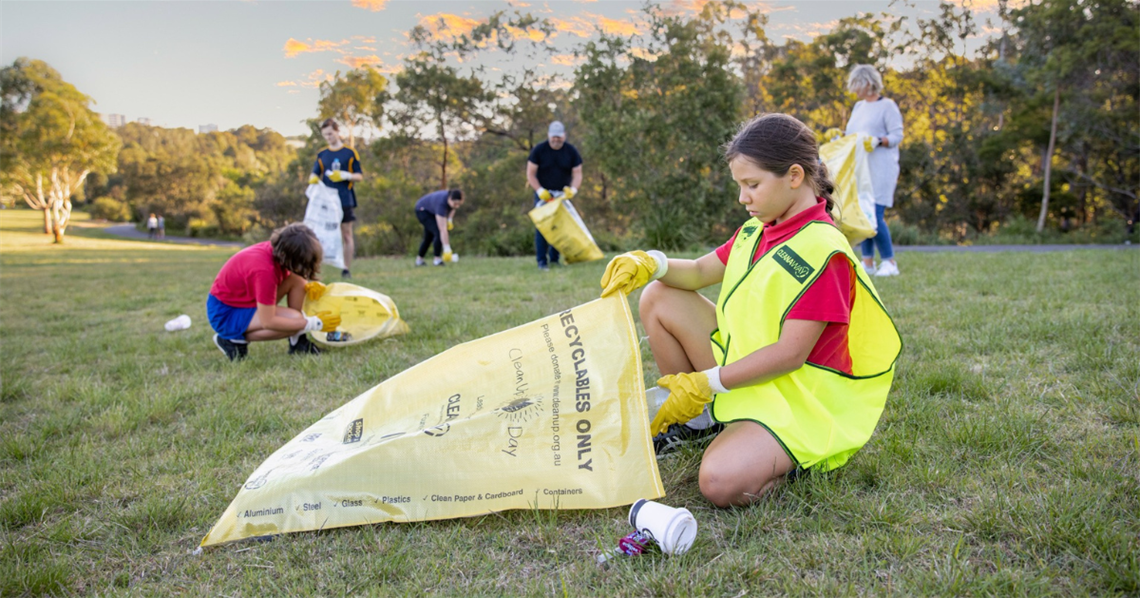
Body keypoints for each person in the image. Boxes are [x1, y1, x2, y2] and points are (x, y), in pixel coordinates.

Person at [599, 114, 901, 507]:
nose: (743, 197)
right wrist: (651, 263)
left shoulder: (824, 251)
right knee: (659, 295)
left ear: (794, 176)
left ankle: (788, 459)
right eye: (740, 185)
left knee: (719, 483)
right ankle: (699, 421)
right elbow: (699, 271)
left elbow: (790, 355)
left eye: (752, 185)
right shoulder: (755, 232)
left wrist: (705, 382)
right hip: (745, 371)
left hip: (795, 400)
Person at [207, 222, 341, 361]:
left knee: (298, 280)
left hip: (244, 302)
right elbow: (268, 322)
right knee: (295, 320)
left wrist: (309, 285)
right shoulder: (265, 271)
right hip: (226, 313)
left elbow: (294, 276)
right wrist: (312, 323)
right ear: (290, 257)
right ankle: (230, 340)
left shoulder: (279, 249)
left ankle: (298, 343)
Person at [844, 64, 904, 277]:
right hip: (861, 171)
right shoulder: (859, 107)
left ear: (868, 83)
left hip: (881, 169)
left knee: (875, 216)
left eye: (857, 85)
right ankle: (868, 263)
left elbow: (897, 135)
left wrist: (878, 141)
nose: (854, 90)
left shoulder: (887, 106)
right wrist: (839, 137)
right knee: (863, 215)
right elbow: (852, 135)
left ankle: (890, 262)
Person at [308, 118, 363, 279]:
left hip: (345, 198)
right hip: (326, 201)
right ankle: (316, 267)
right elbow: (314, 172)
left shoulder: (349, 153)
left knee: (346, 234)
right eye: (325, 135)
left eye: (330, 134)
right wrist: (313, 179)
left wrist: (346, 175)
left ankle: (346, 268)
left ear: (338, 132)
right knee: (320, 235)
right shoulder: (322, 154)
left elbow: (359, 176)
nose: (328, 137)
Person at [526, 120, 583, 271]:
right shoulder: (539, 150)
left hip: (561, 195)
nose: (556, 140)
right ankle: (541, 261)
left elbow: (577, 174)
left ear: (564, 136)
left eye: (559, 137)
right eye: (554, 137)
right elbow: (530, 174)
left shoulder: (571, 151)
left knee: (559, 227)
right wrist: (539, 191)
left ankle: (555, 259)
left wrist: (573, 190)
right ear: (549, 136)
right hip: (543, 194)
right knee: (543, 228)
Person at [414, 188, 465, 266]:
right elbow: (443, 230)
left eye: (459, 204)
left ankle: (419, 260)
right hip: (422, 210)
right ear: (450, 199)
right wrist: (447, 248)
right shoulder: (441, 204)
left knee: (428, 237)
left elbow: (452, 208)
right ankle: (437, 259)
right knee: (438, 232)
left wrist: (449, 219)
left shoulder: (451, 201)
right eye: (455, 203)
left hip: (431, 211)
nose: (457, 206)